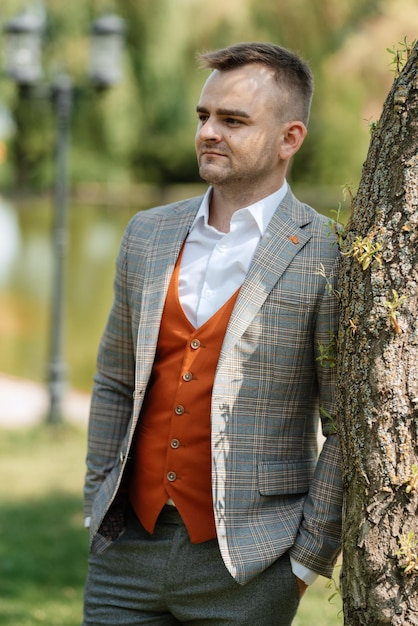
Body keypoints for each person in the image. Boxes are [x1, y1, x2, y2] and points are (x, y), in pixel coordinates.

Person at [82, 42, 343, 626]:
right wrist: (95, 504)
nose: (208, 132)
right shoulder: (147, 234)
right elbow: (115, 381)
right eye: (204, 116)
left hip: (252, 563)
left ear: (289, 138)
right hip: (126, 553)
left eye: (233, 120)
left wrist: (305, 562)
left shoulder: (328, 253)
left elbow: (345, 426)